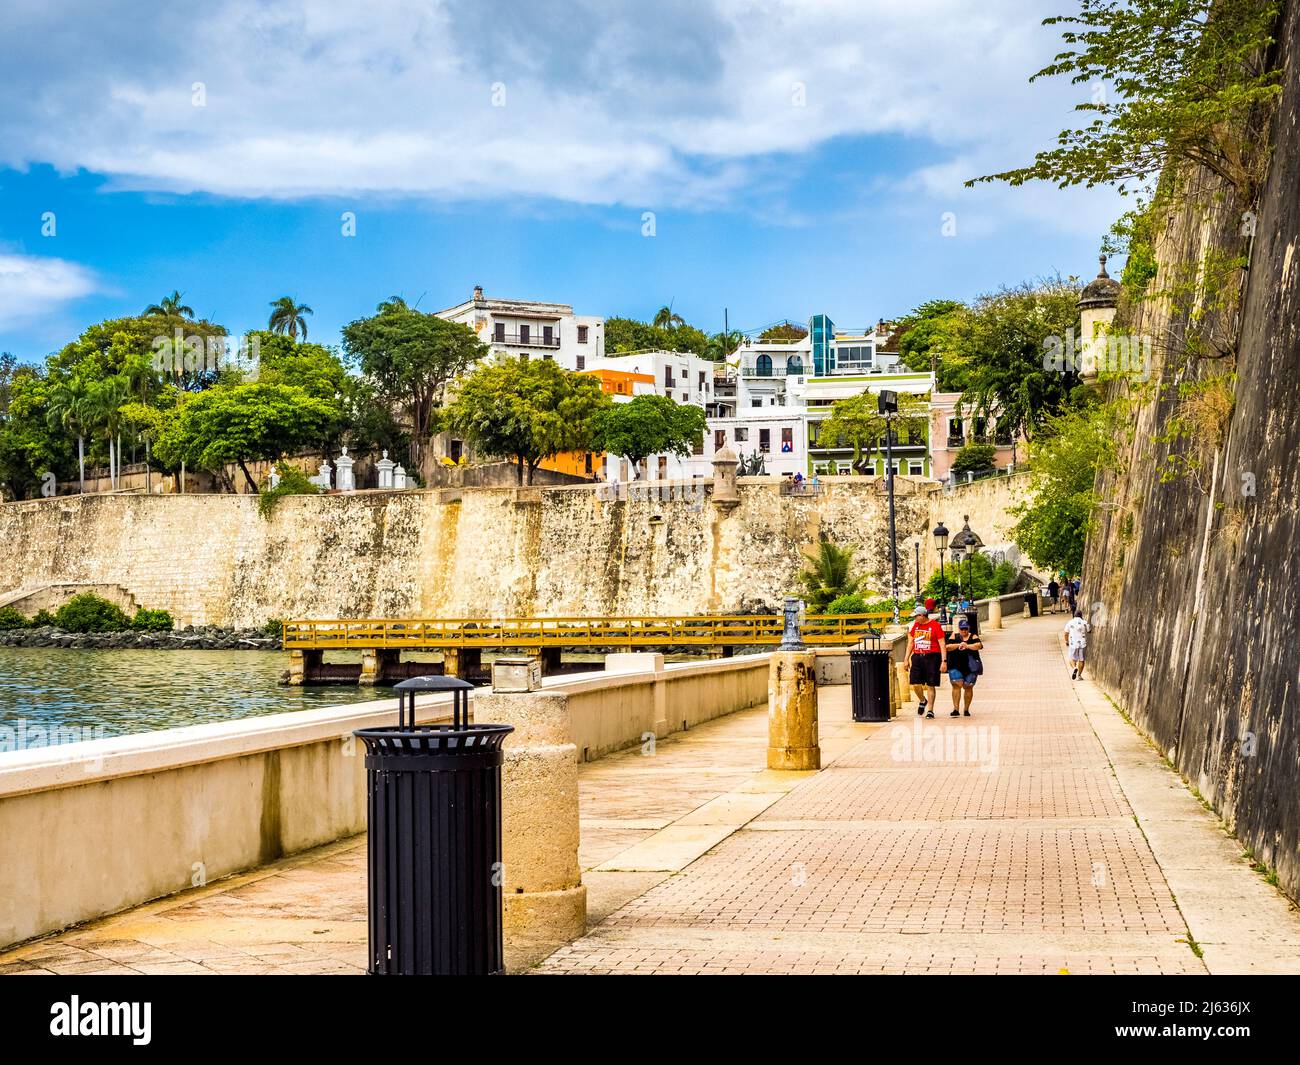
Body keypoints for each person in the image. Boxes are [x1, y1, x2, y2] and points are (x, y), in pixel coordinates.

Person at [906, 603, 947, 718]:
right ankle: (922, 700)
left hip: (932, 657)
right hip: (918, 656)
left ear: (922, 615)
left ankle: (930, 710)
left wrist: (944, 661)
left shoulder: (935, 625)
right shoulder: (916, 625)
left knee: (931, 684)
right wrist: (906, 659)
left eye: (916, 616)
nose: (915, 618)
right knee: (915, 683)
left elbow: (942, 643)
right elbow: (911, 642)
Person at [945, 617, 983, 716]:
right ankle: (956, 709)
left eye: (965, 629)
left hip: (970, 666)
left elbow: (979, 645)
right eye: (962, 629)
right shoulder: (954, 635)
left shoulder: (973, 636)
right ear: (959, 629)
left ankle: (966, 709)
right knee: (956, 685)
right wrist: (959, 645)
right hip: (956, 664)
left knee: (968, 686)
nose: (964, 631)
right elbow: (947, 647)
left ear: (968, 628)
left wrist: (967, 646)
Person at [1064, 609, 1089, 679]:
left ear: (1074, 615)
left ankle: (1074, 668)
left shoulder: (1070, 622)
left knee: (1071, 658)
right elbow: (1089, 630)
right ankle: (1079, 676)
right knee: (1081, 659)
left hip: (1073, 643)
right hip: (1082, 644)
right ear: (1081, 615)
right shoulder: (1084, 622)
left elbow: (1066, 633)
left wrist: (1066, 641)